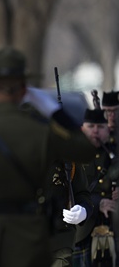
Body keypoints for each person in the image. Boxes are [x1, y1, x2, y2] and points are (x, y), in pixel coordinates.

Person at [0, 46, 96, 267]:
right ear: (25, 90)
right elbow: (87, 150)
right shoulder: (42, 132)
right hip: (28, 242)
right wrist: (55, 112)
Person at [73, 106, 119, 267]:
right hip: (85, 230)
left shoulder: (115, 155)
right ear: (82, 129)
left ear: (109, 129)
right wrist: (98, 202)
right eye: (91, 126)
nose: (95, 131)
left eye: (100, 127)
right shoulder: (73, 157)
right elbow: (70, 192)